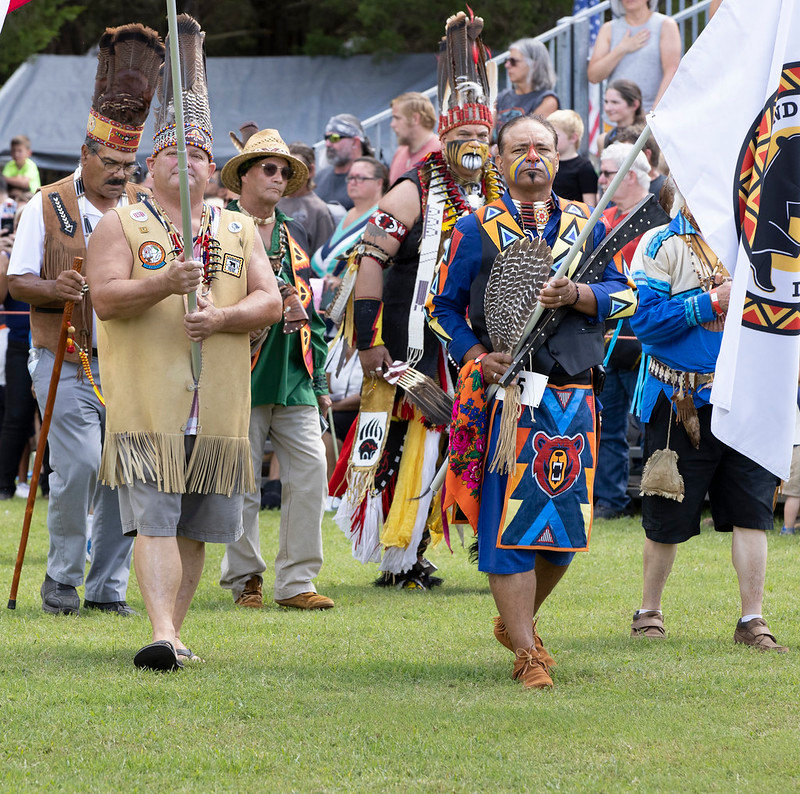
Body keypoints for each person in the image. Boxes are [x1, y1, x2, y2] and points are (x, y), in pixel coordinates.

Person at [86, 16, 281, 671]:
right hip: (148, 401)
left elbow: (270, 301)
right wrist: (163, 283)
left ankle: (176, 630)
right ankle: (163, 632)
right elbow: (106, 298)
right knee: (156, 518)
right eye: (175, 154)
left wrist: (222, 321)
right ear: (152, 163)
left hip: (219, 403)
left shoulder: (236, 226)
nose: (188, 163)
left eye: (198, 155)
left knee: (200, 524)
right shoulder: (123, 222)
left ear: (213, 168)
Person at [427, 114, 637, 689]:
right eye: (519, 148)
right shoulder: (475, 230)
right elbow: (439, 309)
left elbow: (625, 299)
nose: (532, 157)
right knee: (506, 527)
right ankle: (527, 652)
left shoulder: (587, 223)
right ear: (497, 159)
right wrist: (475, 355)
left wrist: (578, 293)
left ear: (559, 156)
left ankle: (516, 622)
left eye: (542, 148)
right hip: (509, 398)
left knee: (563, 536)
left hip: (571, 396)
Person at [332, 10, 504, 587]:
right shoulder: (411, 191)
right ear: (443, 139)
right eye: (462, 138)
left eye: (482, 137)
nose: (474, 146)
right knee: (411, 435)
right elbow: (370, 261)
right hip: (409, 345)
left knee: (459, 440)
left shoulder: (493, 194)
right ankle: (394, 552)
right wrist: (366, 343)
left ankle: (427, 545)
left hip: (469, 344)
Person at [7, 24, 165, 617]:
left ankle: (107, 588)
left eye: (130, 161)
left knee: (128, 470)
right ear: (85, 153)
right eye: (112, 161)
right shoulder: (44, 204)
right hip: (64, 358)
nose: (122, 172)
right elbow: (15, 282)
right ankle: (61, 579)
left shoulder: (141, 214)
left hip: (130, 361)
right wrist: (57, 286)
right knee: (77, 467)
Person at [628, 190, 787, 652]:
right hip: (679, 399)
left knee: (752, 512)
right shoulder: (660, 243)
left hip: (747, 397)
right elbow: (649, 325)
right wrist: (713, 301)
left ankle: (752, 619)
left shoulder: (763, 244)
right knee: (665, 510)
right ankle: (649, 611)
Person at [218, 128, 334, 611]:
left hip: (295, 369)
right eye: (268, 168)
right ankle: (246, 578)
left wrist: (321, 377)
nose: (278, 177)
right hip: (239, 368)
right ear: (244, 175)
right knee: (241, 477)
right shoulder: (217, 226)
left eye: (285, 171)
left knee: (311, 471)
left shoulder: (292, 231)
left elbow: (311, 308)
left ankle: (296, 582)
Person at [593, 142, 652, 519]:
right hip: (605, 338)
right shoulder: (604, 216)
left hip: (646, 339)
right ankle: (611, 501)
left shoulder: (658, 213)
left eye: (605, 172)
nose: (599, 180)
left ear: (629, 174)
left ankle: (658, 501)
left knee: (651, 427)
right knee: (609, 425)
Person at [587, 0, 681, 112]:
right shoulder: (608, 29)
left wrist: (653, 114)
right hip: (615, 118)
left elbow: (672, 70)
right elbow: (593, 76)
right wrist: (622, 49)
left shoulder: (666, 25)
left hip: (651, 116)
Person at [311, 156, 388, 280]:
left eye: (360, 178)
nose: (353, 182)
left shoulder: (381, 218)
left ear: (379, 183)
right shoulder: (349, 213)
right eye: (350, 177)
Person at [278, 142, 336, 254]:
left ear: (311, 171)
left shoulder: (318, 210)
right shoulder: (272, 201)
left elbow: (322, 259)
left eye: (294, 170)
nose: (288, 175)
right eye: (285, 170)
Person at [495, 39, 559, 137]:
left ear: (534, 64)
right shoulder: (501, 97)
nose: (507, 65)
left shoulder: (547, 100)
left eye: (513, 61)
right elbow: (486, 136)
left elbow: (528, 138)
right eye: (507, 61)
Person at [315, 114, 374, 211]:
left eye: (334, 138)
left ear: (355, 142)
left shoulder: (371, 178)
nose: (328, 144)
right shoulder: (319, 177)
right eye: (326, 138)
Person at [387, 92, 442, 186]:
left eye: (397, 118)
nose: (392, 124)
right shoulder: (400, 151)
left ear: (415, 119)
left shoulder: (440, 151)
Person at [549, 109, 598, 205]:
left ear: (573, 138)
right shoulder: (547, 163)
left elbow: (590, 206)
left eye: (555, 136)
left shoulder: (584, 167)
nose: (550, 140)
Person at [598, 80, 646, 152]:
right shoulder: (604, 139)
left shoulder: (646, 136)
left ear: (635, 104)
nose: (607, 108)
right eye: (606, 102)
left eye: (615, 102)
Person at [3, 135, 41, 199]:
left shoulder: (31, 165)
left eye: (19, 151)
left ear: (29, 153)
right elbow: (2, 181)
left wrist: (8, 179)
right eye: (13, 150)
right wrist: (18, 179)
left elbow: (24, 183)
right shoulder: (9, 165)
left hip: (32, 196)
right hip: (13, 194)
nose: (16, 154)